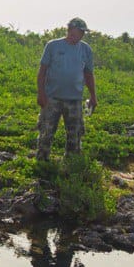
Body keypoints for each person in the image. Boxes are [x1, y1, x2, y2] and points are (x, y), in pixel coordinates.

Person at [35, 17, 97, 161]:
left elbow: (88, 74)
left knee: (75, 135)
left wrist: (93, 96)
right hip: (52, 98)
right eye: (78, 31)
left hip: (74, 99)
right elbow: (42, 71)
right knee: (46, 132)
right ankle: (42, 163)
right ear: (69, 30)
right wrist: (41, 94)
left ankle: (71, 164)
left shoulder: (86, 49)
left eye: (83, 32)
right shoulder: (53, 46)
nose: (80, 35)